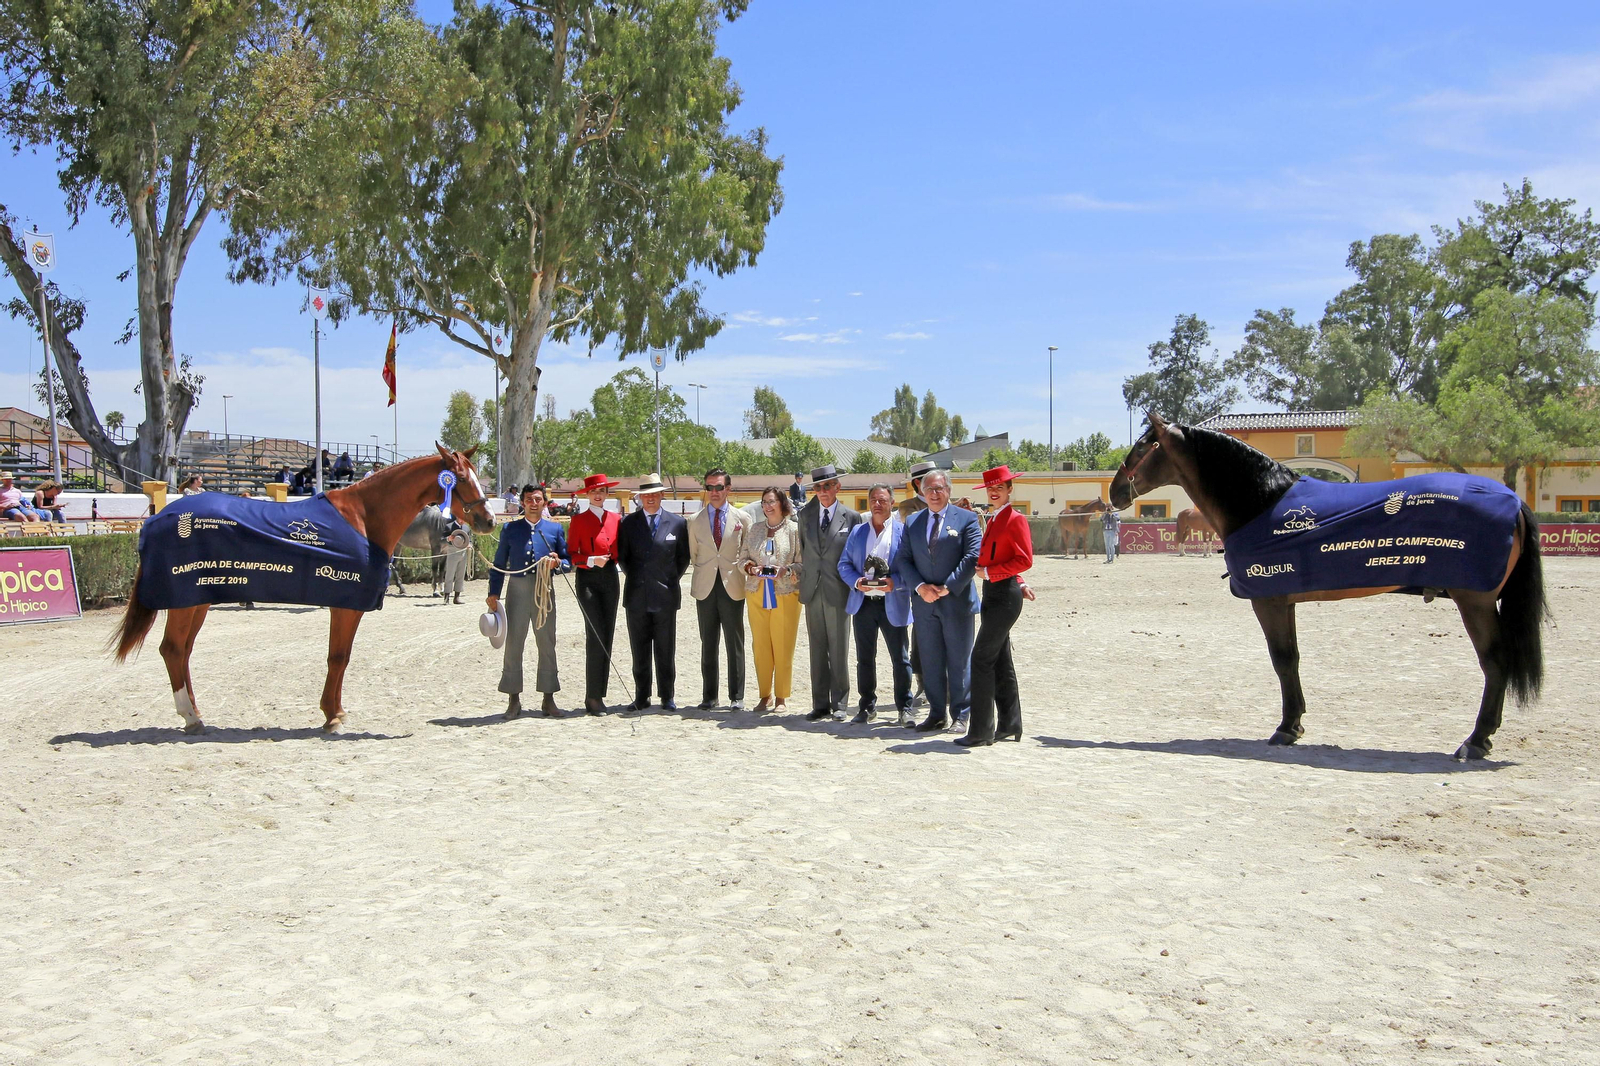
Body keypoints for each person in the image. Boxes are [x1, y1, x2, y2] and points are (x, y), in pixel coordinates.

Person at [893, 470, 981, 733]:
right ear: (921, 491)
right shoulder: (913, 521)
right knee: (930, 659)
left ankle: (961, 714)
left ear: (948, 490)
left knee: (958, 660)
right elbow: (903, 559)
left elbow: (972, 556)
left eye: (939, 488)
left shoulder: (966, 518)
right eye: (929, 488)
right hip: (924, 603)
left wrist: (947, 587)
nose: (934, 493)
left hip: (956, 601)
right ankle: (936, 713)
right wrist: (920, 587)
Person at [958, 466, 1036, 747]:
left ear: (1009, 489)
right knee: (1001, 660)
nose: (994, 492)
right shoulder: (993, 518)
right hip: (993, 594)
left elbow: (1024, 559)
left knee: (981, 659)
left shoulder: (1015, 519)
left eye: (1000, 487)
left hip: (1003, 596)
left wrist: (993, 574)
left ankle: (981, 730)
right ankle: (1010, 724)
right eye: (991, 488)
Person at [488, 484, 571, 719]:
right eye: (529, 499)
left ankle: (548, 697)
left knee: (547, 643)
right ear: (522, 503)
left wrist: (558, 564)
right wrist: (494, 593)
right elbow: (498, 564)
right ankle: (513, 699)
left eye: (537, 499)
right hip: (517, 590)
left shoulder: (554, 530)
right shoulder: (510, 530)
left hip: (544, 591)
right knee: (514, 643)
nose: (533, 503)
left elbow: (567, 561)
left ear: (544, 502)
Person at [837, 484, 914, 726]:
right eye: (873, 500)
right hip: (864, 604)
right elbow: (843, 565)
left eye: (882, 500)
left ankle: (905, 707)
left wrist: (896, 582)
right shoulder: (858, 532)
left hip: (893, 602)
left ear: (892, 503)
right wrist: (856, 582)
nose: (877, 505)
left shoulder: (904, 532)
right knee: (864, 659)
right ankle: (867, 706)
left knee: (900, 659)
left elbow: (913, 568)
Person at [616, 474, 690, 711]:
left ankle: (667, 695)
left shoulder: (677, 523)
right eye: (646, 495)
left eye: (655, 494)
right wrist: (641, 580)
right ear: (640, 498)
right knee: (639, 648)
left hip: (666, 596)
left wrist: (667, 580)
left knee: (665, 649)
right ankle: (642, 695)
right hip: (636, 595)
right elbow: (624, 558)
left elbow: (683, 558)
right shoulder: (628, 524)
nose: (650, 499)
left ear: (661, 496)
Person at [797, 464, 861, 721]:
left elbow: (855, 555)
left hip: (839, 591)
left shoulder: (852, 517)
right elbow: (805, 551)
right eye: (817, 487)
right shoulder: (805, 516)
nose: (822, 491)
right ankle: (820, 703)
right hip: (812, 590)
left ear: (837, 487)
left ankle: (840, 703)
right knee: (817, 648)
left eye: (827, 486)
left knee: (839, 649)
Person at [688, 468, 749, 711]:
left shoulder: (742, 519)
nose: (714, 492)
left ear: (728, 489)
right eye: (709, 487)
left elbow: (745, 552)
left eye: (719, 487)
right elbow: (694, 554)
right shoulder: (694, 521)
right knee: (708, 643)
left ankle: (737, 696)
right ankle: (709, 696)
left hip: (732, 585)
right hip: (705, 587)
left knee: (734, 643)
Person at [740, 486, 803, 712]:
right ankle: (764, 695)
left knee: (783, 645)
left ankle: (781, 697)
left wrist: (785, 571)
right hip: (757, 593)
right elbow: (742, 558)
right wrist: (750, 569)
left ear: (781, 503)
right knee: (761, 646)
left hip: (785, 594)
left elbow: (802, 563)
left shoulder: (794, 530)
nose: (767, 506)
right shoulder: (754, 529)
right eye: (764, 502)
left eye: (772, 501)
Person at [568, 472, 623, 715]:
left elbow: (621, 551)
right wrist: (591, 559)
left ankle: (600, 694)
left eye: (602, 491)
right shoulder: (578, 520)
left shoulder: (616, 519)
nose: (598, 495)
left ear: (607, 494)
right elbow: (572, 555)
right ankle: (592, 696)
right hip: (588, 579)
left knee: (608, 635)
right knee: (596, 634)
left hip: (610, 579)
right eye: (593, 491)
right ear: (587, 495)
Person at [440, 522, 471, 604]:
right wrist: (448, 539)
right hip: (452, 551)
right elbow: (441, 539)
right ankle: (446, 597)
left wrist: (469, 544)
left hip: (463, 551)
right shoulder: (449, 526)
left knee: (460, 575)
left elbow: (469, 539)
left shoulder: (466, 527)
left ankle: (457, 597)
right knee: (449, 574)